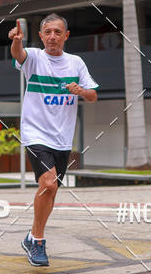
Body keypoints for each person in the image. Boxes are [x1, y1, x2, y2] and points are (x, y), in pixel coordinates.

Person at [9, 13, 98, 267]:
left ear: (66, 35)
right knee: (48, 184)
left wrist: (81, 91)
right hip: (35, 133)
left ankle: (31, 236)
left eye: (58, 32)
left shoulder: (76, 63)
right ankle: (38, 241)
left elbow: (93, 96)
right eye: (48, 32)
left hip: (62, 139)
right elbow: (18, 54)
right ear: (40, 36)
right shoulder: (34, 58)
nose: (52, 37)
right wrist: (16, 40)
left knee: (51, 191)